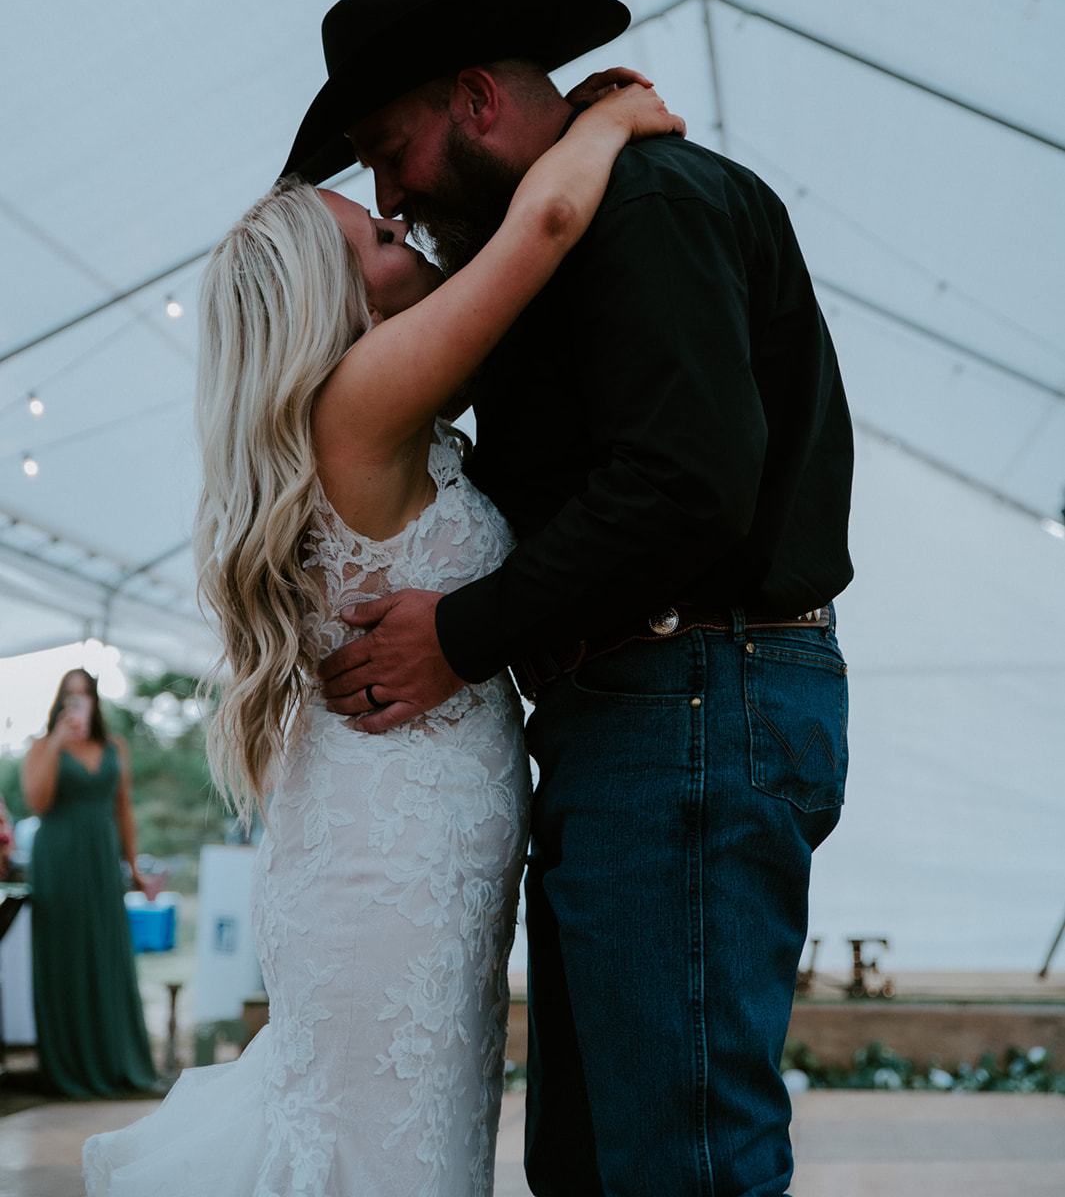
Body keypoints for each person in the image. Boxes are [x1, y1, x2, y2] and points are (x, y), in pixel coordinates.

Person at [297, 0, 854, 1197]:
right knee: (598, 1165)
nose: (388, 194)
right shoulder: (560, 231)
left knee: (680, 1161)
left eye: (392, 153)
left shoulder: (645, 208)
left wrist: (467, 631)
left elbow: (685, 483)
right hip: (646, 714)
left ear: (479, 100)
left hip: (695, 692)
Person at [82, 61, 682, 1195]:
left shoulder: (374, 417)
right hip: (387, 872)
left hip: (407, 867)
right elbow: (548, 222)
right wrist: (610, 122)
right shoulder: (360, 400)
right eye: (382, 242)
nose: (408, 233)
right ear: (339, 301)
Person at [21, 668, 157, 1098]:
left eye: (84, 696)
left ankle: (116, 1062)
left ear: (96, 701)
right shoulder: (42, 747)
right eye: (69, 696)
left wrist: (134, 867)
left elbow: (124, 812)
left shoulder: (114, 746)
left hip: (101, 863)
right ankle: (69, 1068)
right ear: (59, 702)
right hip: (58, 861)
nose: (76, 704)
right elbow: (37, 803)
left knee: (105, 955)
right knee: (65, 958)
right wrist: (58, 741)